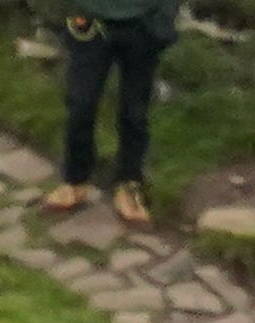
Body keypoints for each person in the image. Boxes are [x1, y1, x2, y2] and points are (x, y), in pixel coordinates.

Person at [44, 0, 183, 227]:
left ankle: (129, 185)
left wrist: (163, 19)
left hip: (142, 24)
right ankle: (75, 181)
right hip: (91, 23)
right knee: (81, 104)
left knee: (134, 112)